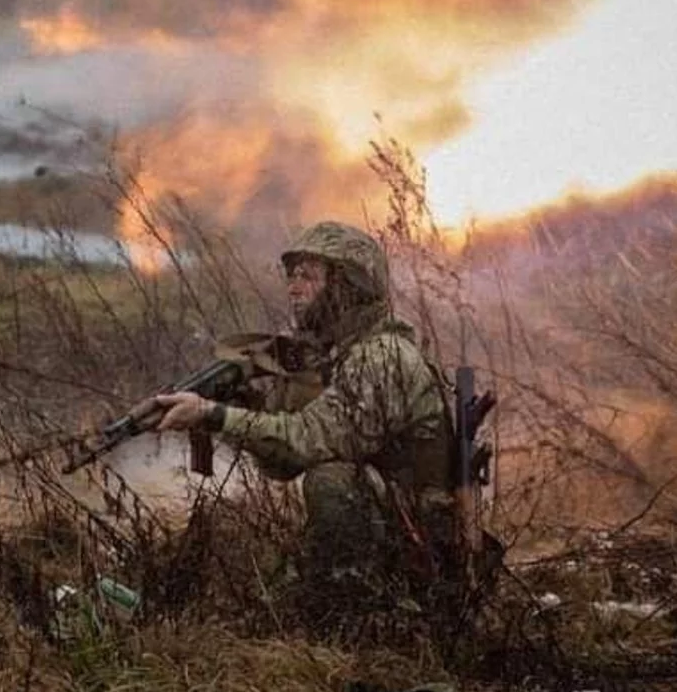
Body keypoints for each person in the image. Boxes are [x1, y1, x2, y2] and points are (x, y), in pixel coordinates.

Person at [136, 221, 465, 613]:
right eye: (292, 276)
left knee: (332, 480)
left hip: (425, 538)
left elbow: (304, 443)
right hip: (400, 521)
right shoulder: (343, 354)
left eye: (308, 276)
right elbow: (279, 465)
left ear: (347, 286)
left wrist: (213, 415)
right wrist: (237, 408)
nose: (293, 288)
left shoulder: (382, 356)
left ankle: (350, 612)